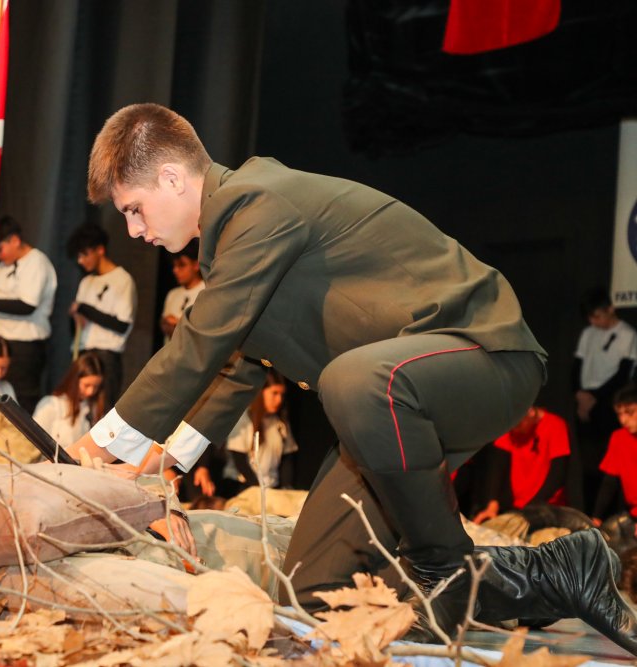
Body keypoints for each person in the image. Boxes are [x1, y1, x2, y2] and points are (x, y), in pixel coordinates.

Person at [66, 103, 637, 652]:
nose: (134, 230)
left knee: (352, 382)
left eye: (133, 209)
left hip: (484, 354)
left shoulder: (256, 201)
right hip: (392, 405)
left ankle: (448, 568)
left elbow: (201, 340)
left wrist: (92, 449)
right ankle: (552, 573)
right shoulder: (230, 253)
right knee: (316, 595)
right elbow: (233, 366)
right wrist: (158, 467)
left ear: (171, 178)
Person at [0, 216, 56, 414]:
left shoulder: (37, 261)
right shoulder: (2, 267)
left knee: (22, 401)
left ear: (14, 240)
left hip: (25, 347)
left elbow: (27, 305)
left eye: (0, 249)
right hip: (0, 343)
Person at [573, 287, 637, 512]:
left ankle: (612, 517)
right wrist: (580, 395)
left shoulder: (627, 335)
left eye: (597, 316)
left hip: (608, 404)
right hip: (585, 402)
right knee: (588, 466)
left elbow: (623, 374)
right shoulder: (588, 333)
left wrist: (595, 398)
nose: (594, 321)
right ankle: (591, 515)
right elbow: (577, 366)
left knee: (611, 469)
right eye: (590, 317)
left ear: (610, 309)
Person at [67, 222, 137, 405]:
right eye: (78, 256)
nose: (80, 261)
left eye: (84, 254)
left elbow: (122, 325)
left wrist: (84, 309)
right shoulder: (86, 282)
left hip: (107, 356)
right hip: (83, 352)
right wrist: (76, 316)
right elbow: (78, 323)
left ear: (100, 250)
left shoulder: (123, 280)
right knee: (79, 409)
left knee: (102, 411)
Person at [473, 406, 570, 524]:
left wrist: (530, 509)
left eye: (518, 425)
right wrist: (492, 504)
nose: (514, 429)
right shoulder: (514, 423)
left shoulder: (555, 425)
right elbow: (497, 468)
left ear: (531, 413)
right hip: (516, 508)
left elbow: (557, 475)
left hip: (546, 507)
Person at [224, 371, 298, 493]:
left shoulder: (280, 423)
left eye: (281, 395)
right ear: (261, 393)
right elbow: (239, 459)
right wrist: (257, 488)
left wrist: (286, 488)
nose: (279, 400)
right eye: (274, 393)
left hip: (270, 488)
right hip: (243, 487)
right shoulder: (244, 420)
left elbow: (287, 458)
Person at [33, 352, 106, 449]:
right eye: (86, 385)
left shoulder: (94, 409)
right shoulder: (51, 405)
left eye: (96, 387)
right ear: (74, 380)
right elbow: (33, 443)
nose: (90, 392)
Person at [593, 385, 637, 523]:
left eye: (630, 412)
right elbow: (610, 482)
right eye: (619, 414)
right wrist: (596, 517)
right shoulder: (619, 437)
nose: (623, 420)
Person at [160, 240, 204, 344]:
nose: (175, 270)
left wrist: (178, 323)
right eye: (174, 266)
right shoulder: (172, 294)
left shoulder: (206, 291)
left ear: (196, 265)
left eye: (182, 265)